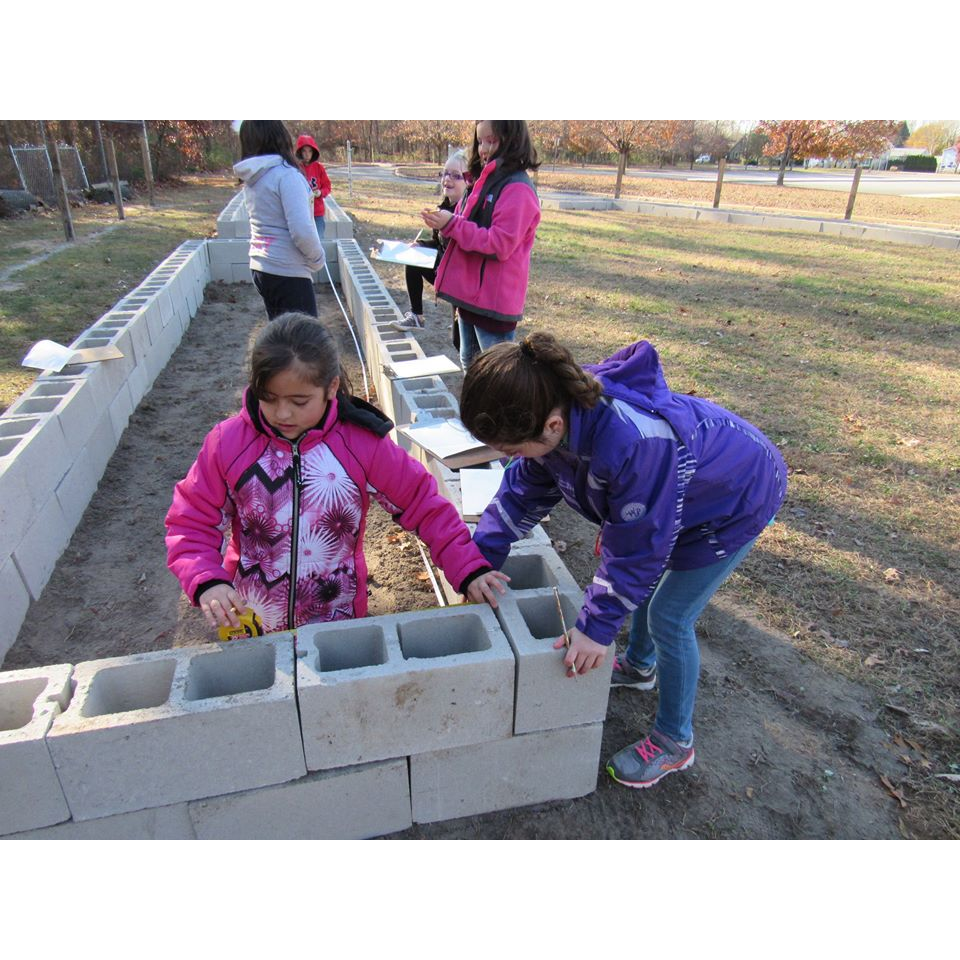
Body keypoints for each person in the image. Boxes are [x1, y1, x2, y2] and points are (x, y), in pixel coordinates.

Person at [459, 333, 787, 789]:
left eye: (512, 450)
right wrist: (478, 560)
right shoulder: (551, 416)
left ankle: (675, 741)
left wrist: (595, 628)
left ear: (552, 427)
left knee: (670, 615)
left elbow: (638, 549)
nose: (508, 457)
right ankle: (638, 666)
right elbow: (521, 494)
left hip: (735, 498)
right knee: (645, 588)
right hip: (675, 494)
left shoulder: (634, 444)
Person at [166, 313, 508, 633]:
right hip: (248, 618)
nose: (282, 413)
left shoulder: (362, 445)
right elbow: (190, 520)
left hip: (337, 621)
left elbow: (424, 504)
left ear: (331, 388)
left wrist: (468, 569)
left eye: (299, 402)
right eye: (268, 398)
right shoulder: (228, 443)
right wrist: (208, 580)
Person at [421, 120, 541, 369]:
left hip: (493, 305)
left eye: (492, 140)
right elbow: (466, 229)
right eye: (480, 140)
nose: (484, 148)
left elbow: (499, 244)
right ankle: (473, 409)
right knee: (470, 364)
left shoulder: (518, 188)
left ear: (512, 139)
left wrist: (452, 224)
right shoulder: (482, 180)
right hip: (470, 298)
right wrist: (445, 226)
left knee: (496, 376)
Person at [234, 120, 325, 320]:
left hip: (261, 268)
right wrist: (318, 257)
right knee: (304, 344)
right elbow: (302, 230)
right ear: (281, 137)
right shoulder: (286, 176)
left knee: (283, 341)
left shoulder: (255, 177)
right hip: (288, 272)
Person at [394, 151, 469, 332]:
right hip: (442, 270)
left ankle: (460, 325)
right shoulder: (441, 208)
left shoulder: (469, 212)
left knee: (460, 339)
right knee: (413, 258)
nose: (447, 179)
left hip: (463, 278)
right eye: (444, 173)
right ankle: (416, 316)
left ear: (469, 180)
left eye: (455, 175)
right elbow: (438, 243)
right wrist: (420, 245)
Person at [295, 133, 332, 240]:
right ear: (300, 152)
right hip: (302, 212)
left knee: (319, 239)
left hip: (317, 212)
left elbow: (327, 186)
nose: (307, 154)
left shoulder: (319, 168)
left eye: (310, 151)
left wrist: (321, 193)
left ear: (313, 152)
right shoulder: (295, 169)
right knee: (303, 241)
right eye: (304, 151)